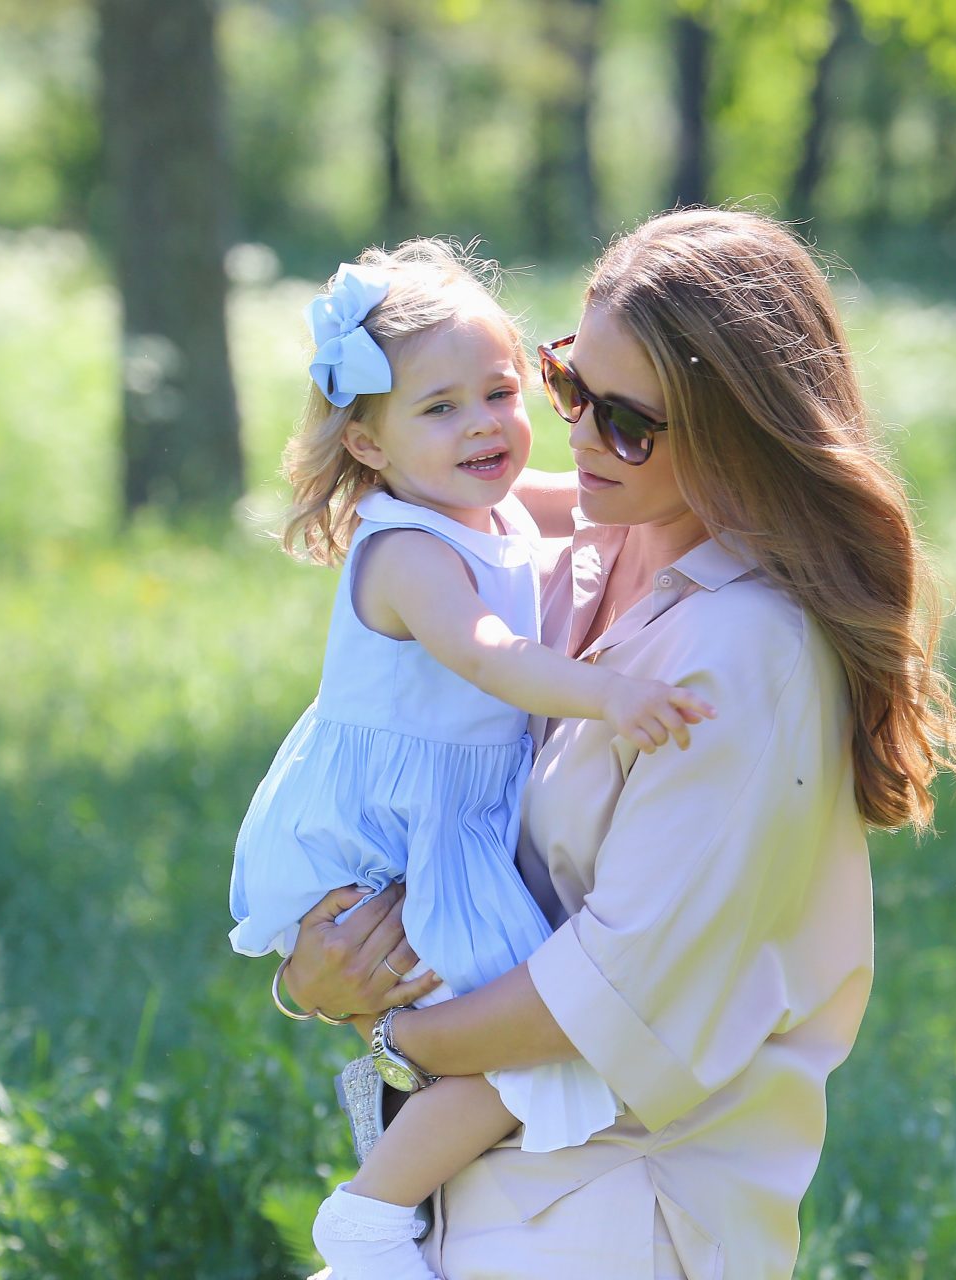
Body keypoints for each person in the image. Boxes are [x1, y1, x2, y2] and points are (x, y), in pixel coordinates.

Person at [280, 208, 956, 1279]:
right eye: (567, 385)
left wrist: (387, 1031)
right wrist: (327, 968)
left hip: (618, 1217)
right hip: (485, 1191)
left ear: (740, 427)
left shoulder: (741, 654)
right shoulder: (598, 550)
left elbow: (604, 990)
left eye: (629, 422)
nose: (579, 438)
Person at [228, 238, 715, 1280]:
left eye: (500, 389)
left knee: (518, 1040)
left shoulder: (486, 501)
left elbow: (600, 499)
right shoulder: (406, 549)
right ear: (367, 441)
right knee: (515, 1036)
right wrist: (611, 694)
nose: (485, 424)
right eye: (438, 408)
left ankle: (393, 1204)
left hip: (446, 819)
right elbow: (489, 655)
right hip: (384, 829)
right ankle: (368, 1217)